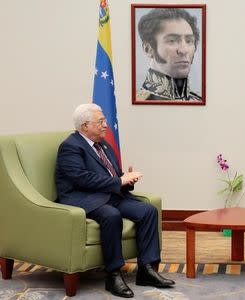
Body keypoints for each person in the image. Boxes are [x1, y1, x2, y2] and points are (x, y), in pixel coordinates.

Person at [55, 103, 175, 298]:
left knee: (148, 211)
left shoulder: (103, 145)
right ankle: (113, 274)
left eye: (104, 121)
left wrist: (126, 181)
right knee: (112, 215)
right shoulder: (70, 147)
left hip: (109, 195)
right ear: (85, 126)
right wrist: (119, 180)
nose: (106, 125)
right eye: (100, 121)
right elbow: (81, 178)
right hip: (84, 198)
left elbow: (114, 176)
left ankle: (146, 270)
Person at [136, 8, 201, 101]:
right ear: (148, 49)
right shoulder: (137, 101)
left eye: (189, 41)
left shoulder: (199, 101)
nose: (184, 50)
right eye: (172, 40)